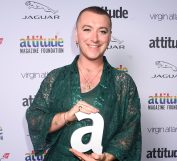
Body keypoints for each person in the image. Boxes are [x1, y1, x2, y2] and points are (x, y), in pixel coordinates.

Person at [26, 6, 141, 161]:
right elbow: (34, 118)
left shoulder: (124, 83)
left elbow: (129, 131)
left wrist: (107, 157)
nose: (95, 38)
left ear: (109, 37)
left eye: (102, 31)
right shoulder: (56, 77)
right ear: (76, 35)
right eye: (87, 29)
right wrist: (67, 116)